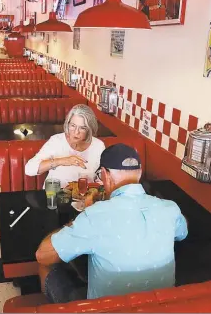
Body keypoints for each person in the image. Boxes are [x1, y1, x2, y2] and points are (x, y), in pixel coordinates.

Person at [35, 143, 188, 303]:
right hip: (161, 307)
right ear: (140, 172)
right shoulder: (170, 208)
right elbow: (182, 233)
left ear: (105, 174)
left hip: (109, 308)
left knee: (47, 265)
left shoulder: (95, 216)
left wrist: (83, 216)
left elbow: (42, 255)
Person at [25, 104, 105, 188]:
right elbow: (29, 169)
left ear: (89, 129)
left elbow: (102, 176)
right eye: (73, 126)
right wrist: (61, 161)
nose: (76, 132)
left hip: (84, 196)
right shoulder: (56, 141)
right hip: (55, 195)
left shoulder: (98, 146)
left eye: (82, 128)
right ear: (68, 124)